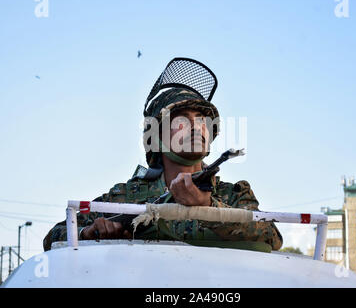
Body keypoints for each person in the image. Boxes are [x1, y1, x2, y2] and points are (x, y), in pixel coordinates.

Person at [43, 59, 283, 252]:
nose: (196, 127)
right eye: (181, 120)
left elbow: (271, 237)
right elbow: (55, 237)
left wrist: (208, 207)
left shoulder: (233, 194)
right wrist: (91, 232)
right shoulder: (124, 197)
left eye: (201, 121)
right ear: (155, 136)